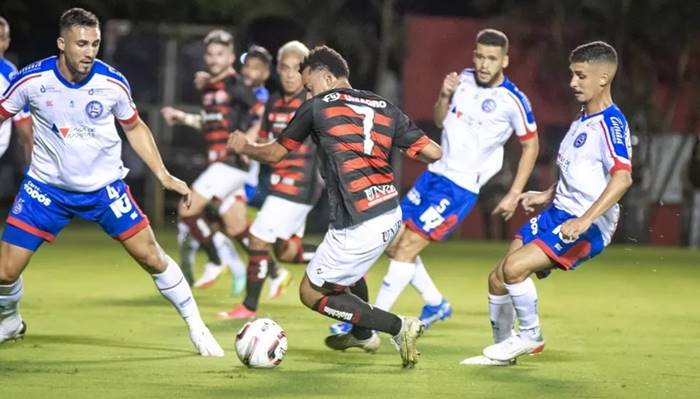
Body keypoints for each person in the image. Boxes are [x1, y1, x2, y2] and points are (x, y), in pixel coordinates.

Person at [0, 8, 224, 357]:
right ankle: (11, 320)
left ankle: (197, 325)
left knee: (152, 257)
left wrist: (163, 175)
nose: (89, 51)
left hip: (105, 190)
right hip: (46, 189)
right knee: (4, 271)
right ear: (62, 43)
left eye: (95, 43)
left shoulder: (111, 83)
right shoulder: (30, 80)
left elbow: (134, 127)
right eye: (81, 44)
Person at [227, 45, 442, 368]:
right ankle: (360, 334)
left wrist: (245, 146)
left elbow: (274, 154)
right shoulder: (384, 106)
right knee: (348, 276)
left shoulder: (317, 107)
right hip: (389, 212)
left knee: (312, 294)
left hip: (358, 221)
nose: (307, 92)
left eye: (310, 85)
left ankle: (398, 326)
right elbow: (433, 152)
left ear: (326, 77)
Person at [332, 29, 539, 335]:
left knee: (405, 251)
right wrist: (444, 95)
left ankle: (369, 325)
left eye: (492, 58)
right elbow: (440, 119)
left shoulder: (513, 100)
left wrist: (514, 192)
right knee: (392, 244)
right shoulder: (464, 79)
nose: (483, 63)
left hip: (460, 187)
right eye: (480, 56)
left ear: (504, 61)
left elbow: (531, 145)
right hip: (435, 173)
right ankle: (435, 303)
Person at [461, 41, 633, 366]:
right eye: (572, 75)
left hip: (586, 225)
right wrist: (547, 194)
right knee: (497, 278)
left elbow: (622, 178)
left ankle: (530, 336)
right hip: (557, 212)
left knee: (514, 269)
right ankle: (504, 353)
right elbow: (578, 172)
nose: (572, 83)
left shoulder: (611, 124)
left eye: (580, 76)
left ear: (603, 78)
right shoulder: (583, 118)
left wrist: (585, 220)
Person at [217, 40, 323, 320]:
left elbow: (276, 151)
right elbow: (265, 140)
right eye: (284, 68)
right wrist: (246, 148)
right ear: (277, 69)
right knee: (288, 252)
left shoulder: (312, 104)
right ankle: (338, 258)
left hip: (300, 185)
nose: (290, 74)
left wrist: (246, 147)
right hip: (279, 184)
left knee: (257, 238)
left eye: (297, 68)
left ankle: (248, 306)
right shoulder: (274, 102)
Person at [160, 30, 257, 289]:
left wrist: (245, 144)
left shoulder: (236, 86)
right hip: (220, 165)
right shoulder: (210, 88)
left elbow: (261, 115)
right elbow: (209, 124)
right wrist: (181, 117)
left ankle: (215, 260)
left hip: (229, 164)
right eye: (211, 54)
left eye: (220, 54)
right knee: (237, 228)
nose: (214, 59)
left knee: (187, 209)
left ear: (231, 57)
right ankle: (272, 272)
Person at [0, 16, 32, 163]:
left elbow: (25, 131)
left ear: (7, 43)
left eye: (0, 38)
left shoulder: (10, 76)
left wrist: (30, 173)